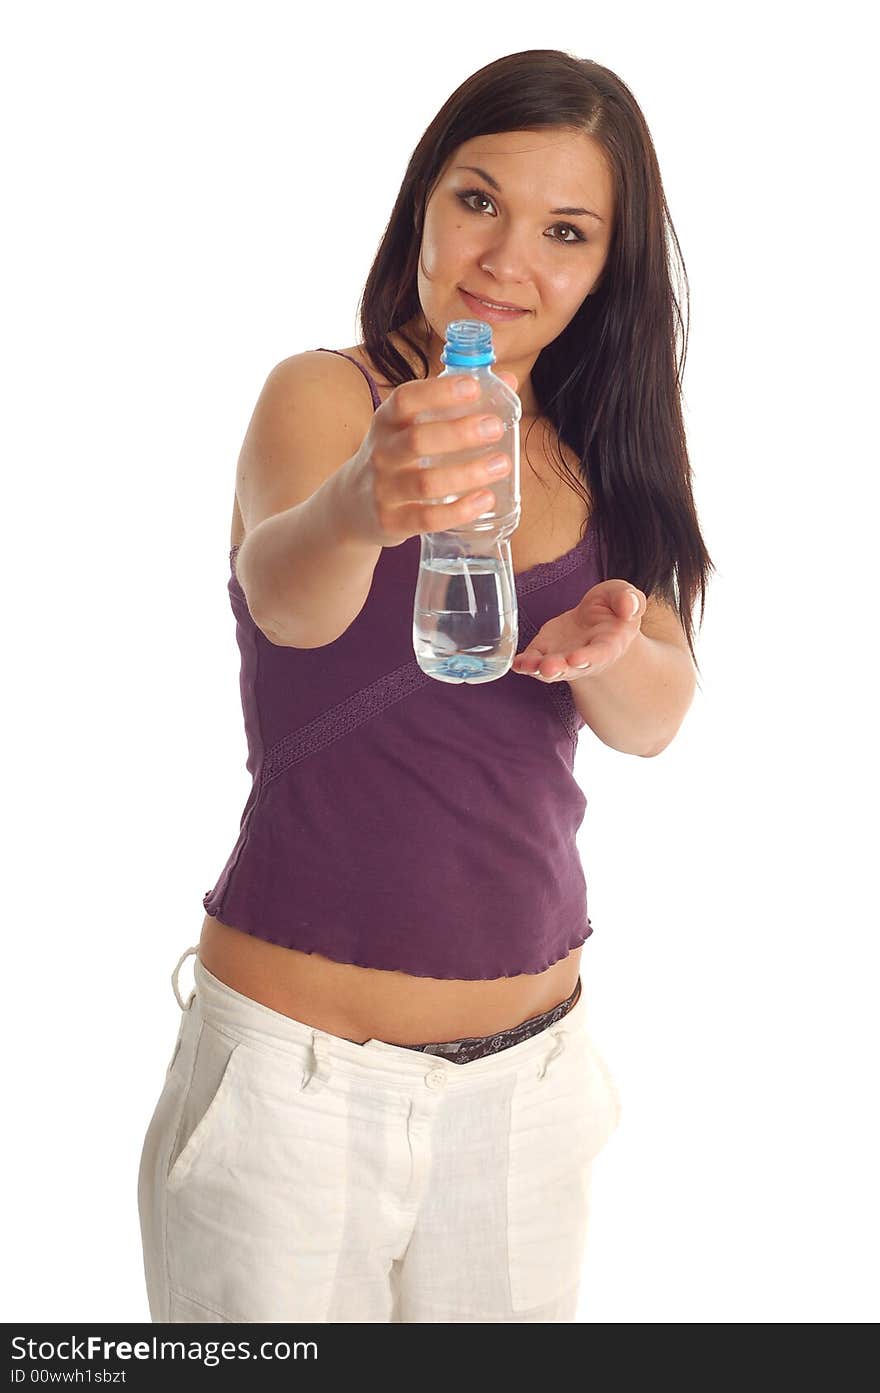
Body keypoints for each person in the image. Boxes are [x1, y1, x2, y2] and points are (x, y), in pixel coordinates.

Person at [137, 49, 713, 1324]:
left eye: (565, 231)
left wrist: (612, 641)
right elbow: (288, 602)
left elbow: (661, 714)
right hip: (294, 1092)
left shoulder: (596, 449)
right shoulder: (330, 397)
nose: (508, 256)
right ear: (422, 204)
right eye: (478, 200)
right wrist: (360, 500)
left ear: (606, 268)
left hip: (529, 1093)